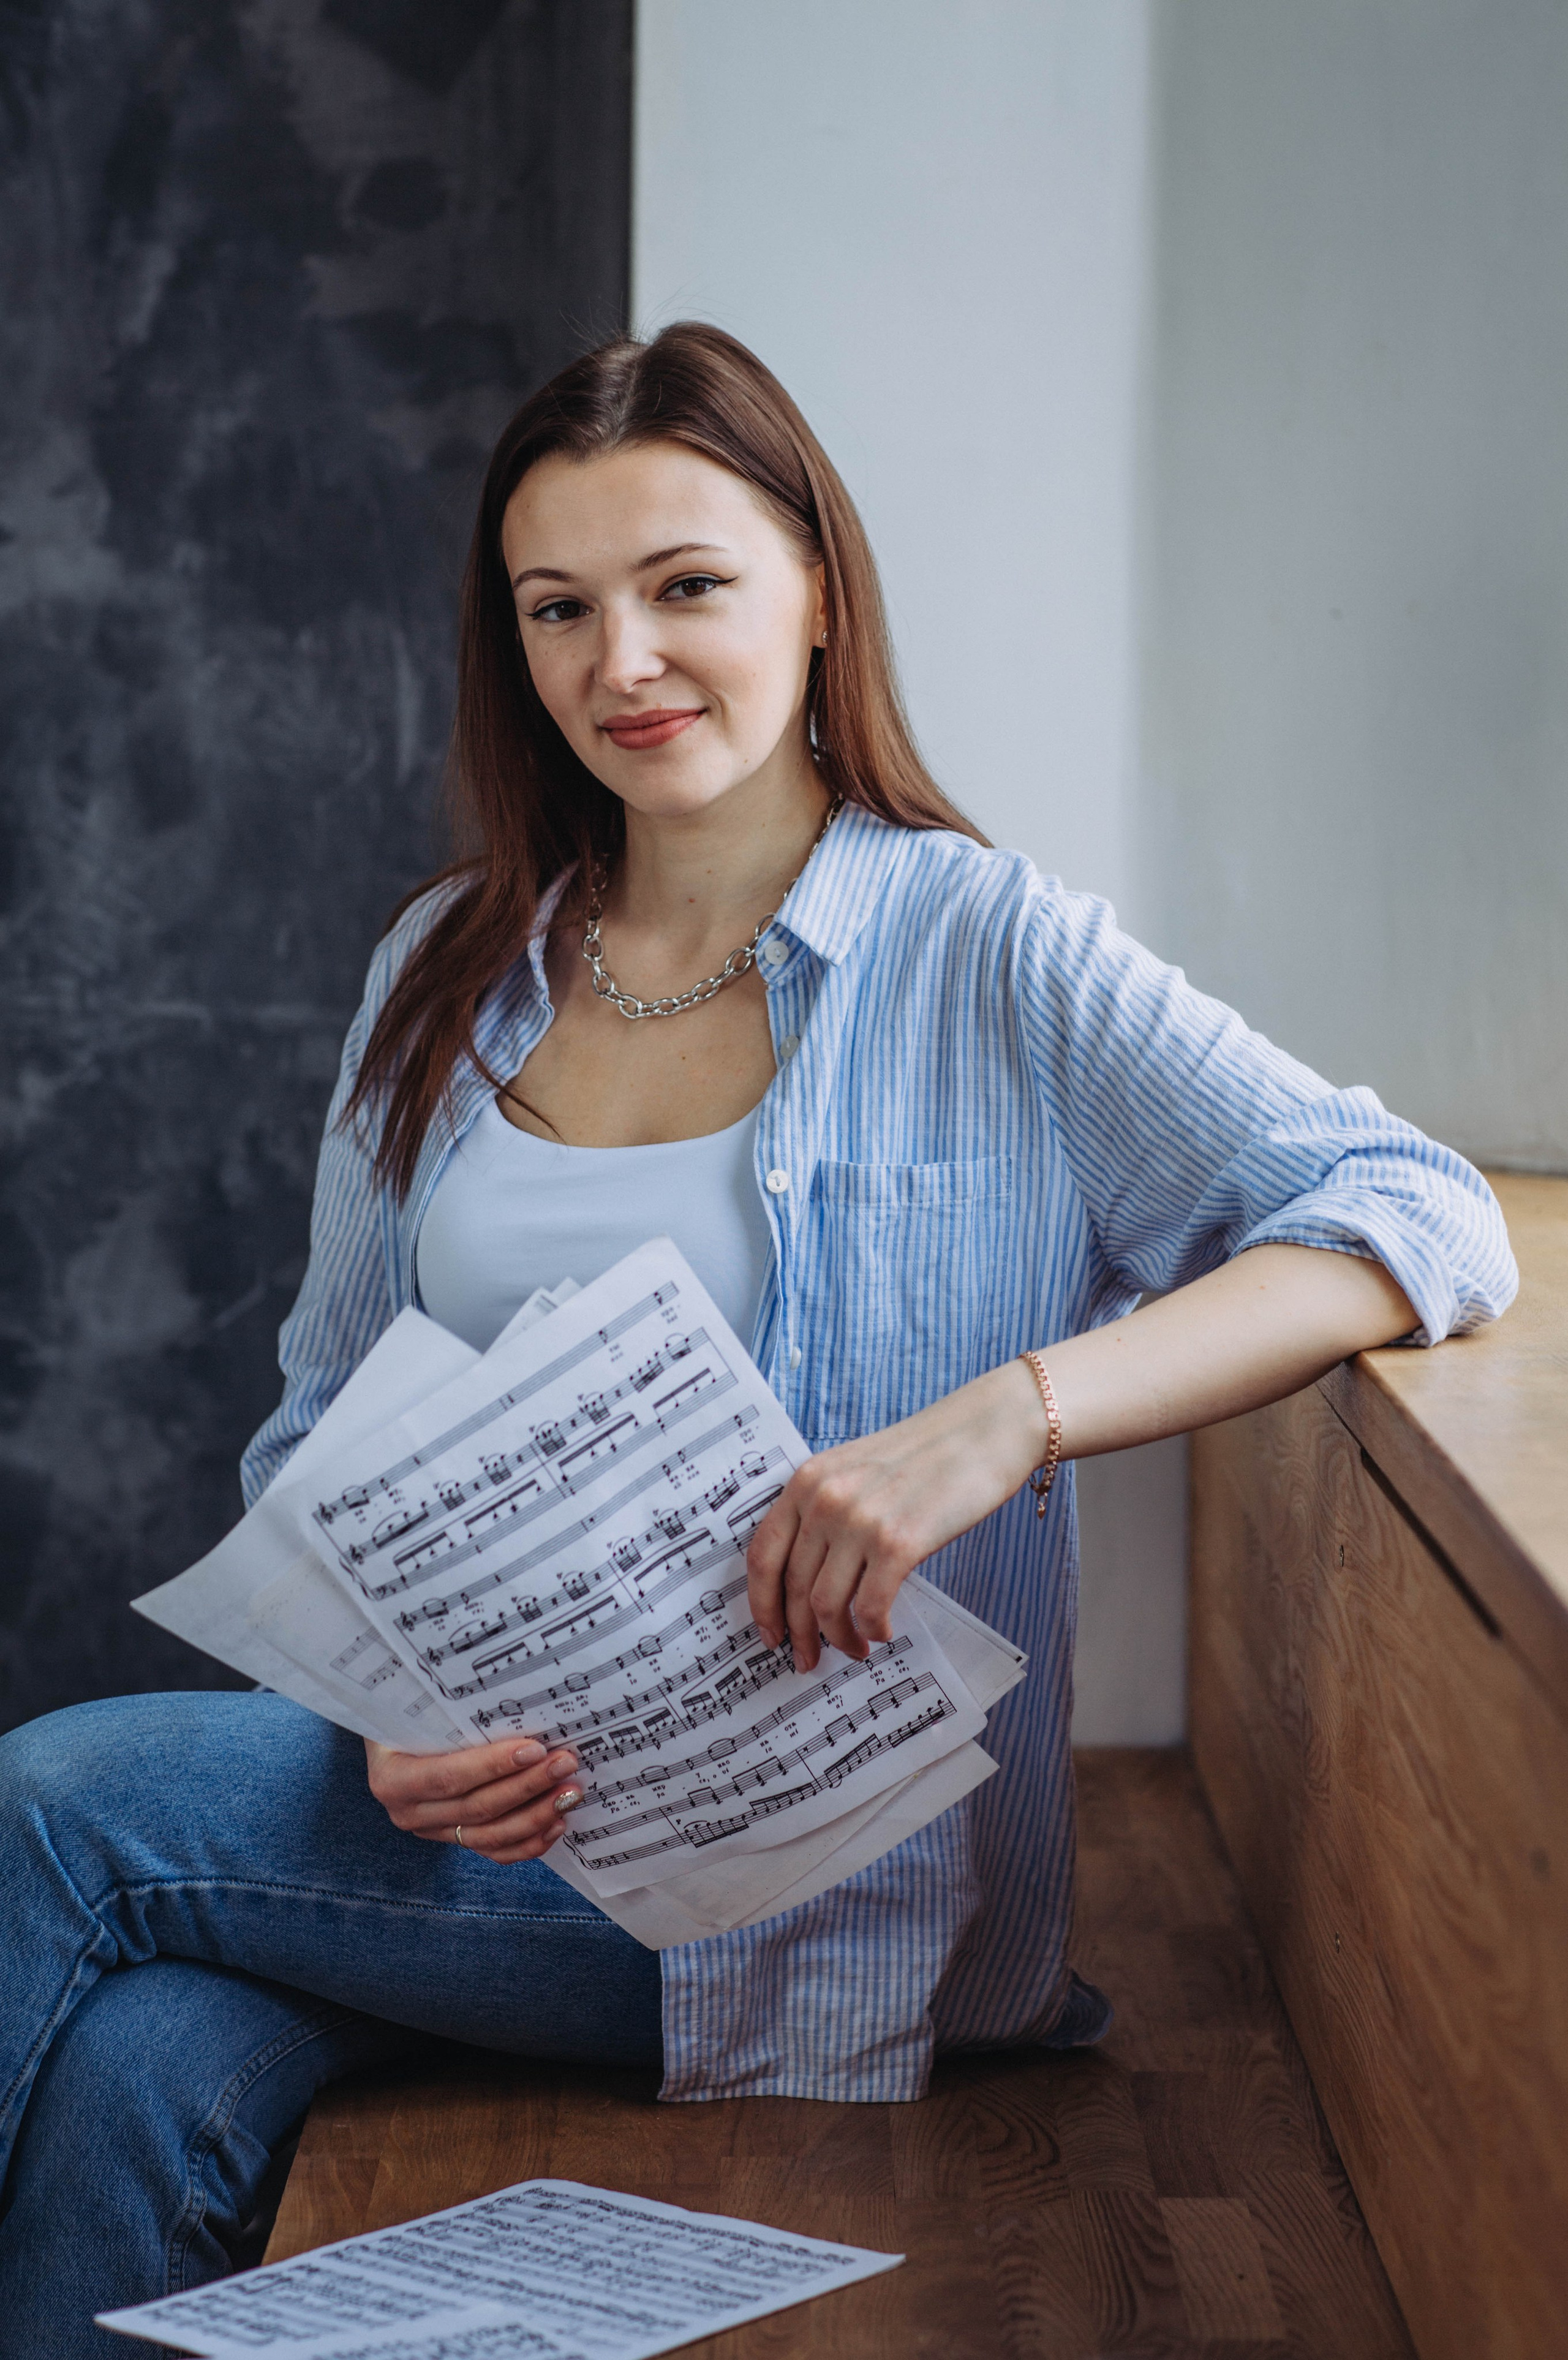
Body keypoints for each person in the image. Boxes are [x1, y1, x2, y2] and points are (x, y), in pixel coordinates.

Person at [0, 323, 1515, 2351]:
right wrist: (372, 1704)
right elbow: (319, 1434)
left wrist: (1011, 1416)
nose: (621, 660)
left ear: (817, 593)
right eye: (559, 607)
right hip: (477, 1843)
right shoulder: (443, 966)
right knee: (131, 2070)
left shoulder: (987, 946)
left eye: (685, 584)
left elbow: (1415, 1209)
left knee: (51, 1803)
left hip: (807, 1888)